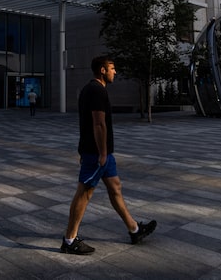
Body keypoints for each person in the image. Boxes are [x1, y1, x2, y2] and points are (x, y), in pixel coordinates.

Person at [60, 56, 156, 255]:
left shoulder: (92, 89)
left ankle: (134, 229)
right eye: (112, 68)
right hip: (97, 154)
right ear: (102, 71)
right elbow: (98, 123)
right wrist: (102, 153)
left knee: (115, 188)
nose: (115, 72)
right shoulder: (96, 90)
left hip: (100, 153)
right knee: (84, 193)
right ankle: (69, 241)